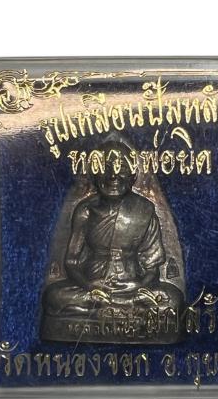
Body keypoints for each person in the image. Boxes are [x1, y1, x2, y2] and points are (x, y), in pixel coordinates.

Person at [42, 138, 184, 323]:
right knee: (53, 296)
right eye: (105, 168)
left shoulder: (145, 210)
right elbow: (71, 262)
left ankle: (102, 310)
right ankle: (115, 309)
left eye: (121, 168)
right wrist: (90, 286)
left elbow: (152, 267)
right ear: (94, 175)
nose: (113, 176)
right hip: (92, 285)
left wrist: (138, 286)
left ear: (133, 176)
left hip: (132, 285)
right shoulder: (85, 210)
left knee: (174, 299)